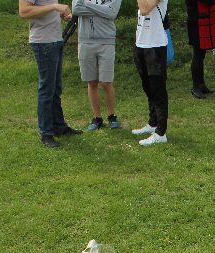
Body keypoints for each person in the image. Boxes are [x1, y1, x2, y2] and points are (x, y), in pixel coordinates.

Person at [19, 0, 82, 148]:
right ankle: (46, 133)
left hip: (55, 40)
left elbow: (43, 10)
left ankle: (59, 126)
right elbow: (24, 11)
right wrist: (54, 6)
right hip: (43, 42)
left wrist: (60, 14)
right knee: (47, 88)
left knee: (56, 88)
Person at [72, 0, 123, 131]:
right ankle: (97, 118)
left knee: (106, 82)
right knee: (92, 81)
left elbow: (111, 13)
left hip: (107, 41)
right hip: (85, 41)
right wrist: (101, 9)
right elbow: (76, 9)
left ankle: (112, 116)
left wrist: (86, 3)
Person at [131, 0, 169, 146]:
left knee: (158, 90)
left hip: (155, 47)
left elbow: (144, 9)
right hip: (141, 44)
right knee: (148, 88)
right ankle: (153, 123)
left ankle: (161, 133)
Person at [185, 0, 215, 99]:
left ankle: (201, 85)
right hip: (197, 22)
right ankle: (195, 87)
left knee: (201, 54)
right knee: (198, 55)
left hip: (203, 19)